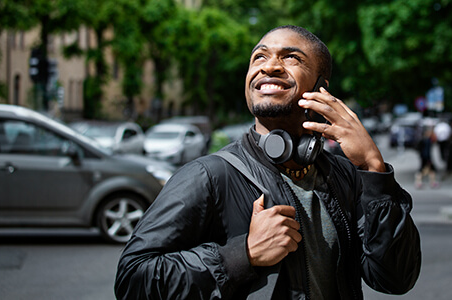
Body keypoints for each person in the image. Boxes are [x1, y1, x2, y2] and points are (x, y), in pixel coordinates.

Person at [115, 25, 421, 299]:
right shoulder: (208, 176)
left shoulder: (346, 176)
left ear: (321, 87)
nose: (270, 66)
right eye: (259, 57)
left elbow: (395, 279)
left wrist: (373, 169)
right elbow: (133, 280)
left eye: (291, 58)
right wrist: (240, 255)